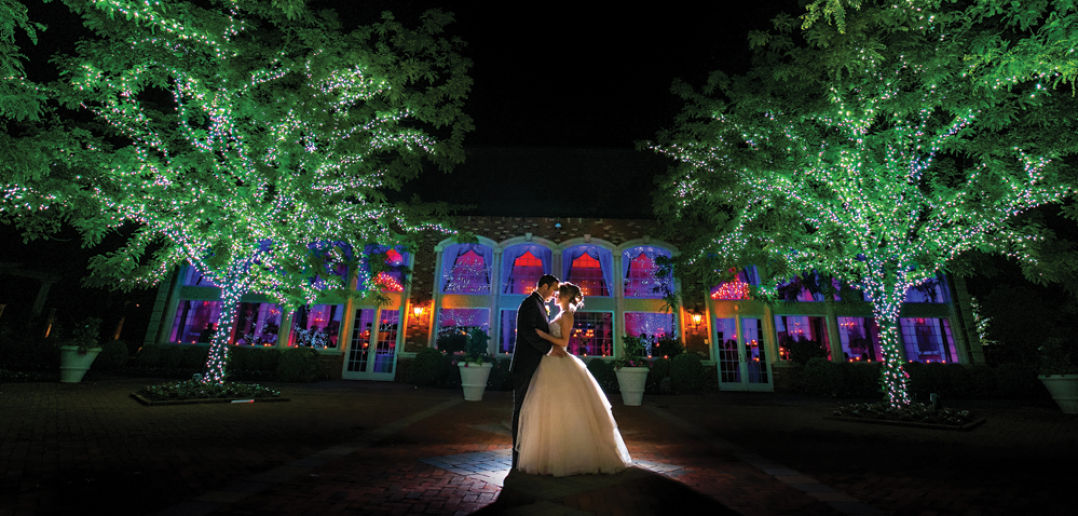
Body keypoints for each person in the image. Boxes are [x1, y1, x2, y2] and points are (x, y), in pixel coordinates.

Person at [516, 282, 632, 476]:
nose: (554, 296)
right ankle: (547, 453)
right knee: (549, 408)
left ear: (565, 297)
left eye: (558, 294)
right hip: (550, 362)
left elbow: (564, 342)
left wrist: (543, 334)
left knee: (564, 408)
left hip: (559, 362)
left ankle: (569, 456)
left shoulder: (567, 315)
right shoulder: (561, 314)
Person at [508, 274, 560, 470]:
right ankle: (517, 453)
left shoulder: (538, 304)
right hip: (525, 366)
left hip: (534, 365)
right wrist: (548, 349)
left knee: (529, 409)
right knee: (521, 409)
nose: (555, 293)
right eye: (553, 288)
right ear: (544, 286)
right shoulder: (530, 304)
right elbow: (528, 332)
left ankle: (525, 450)